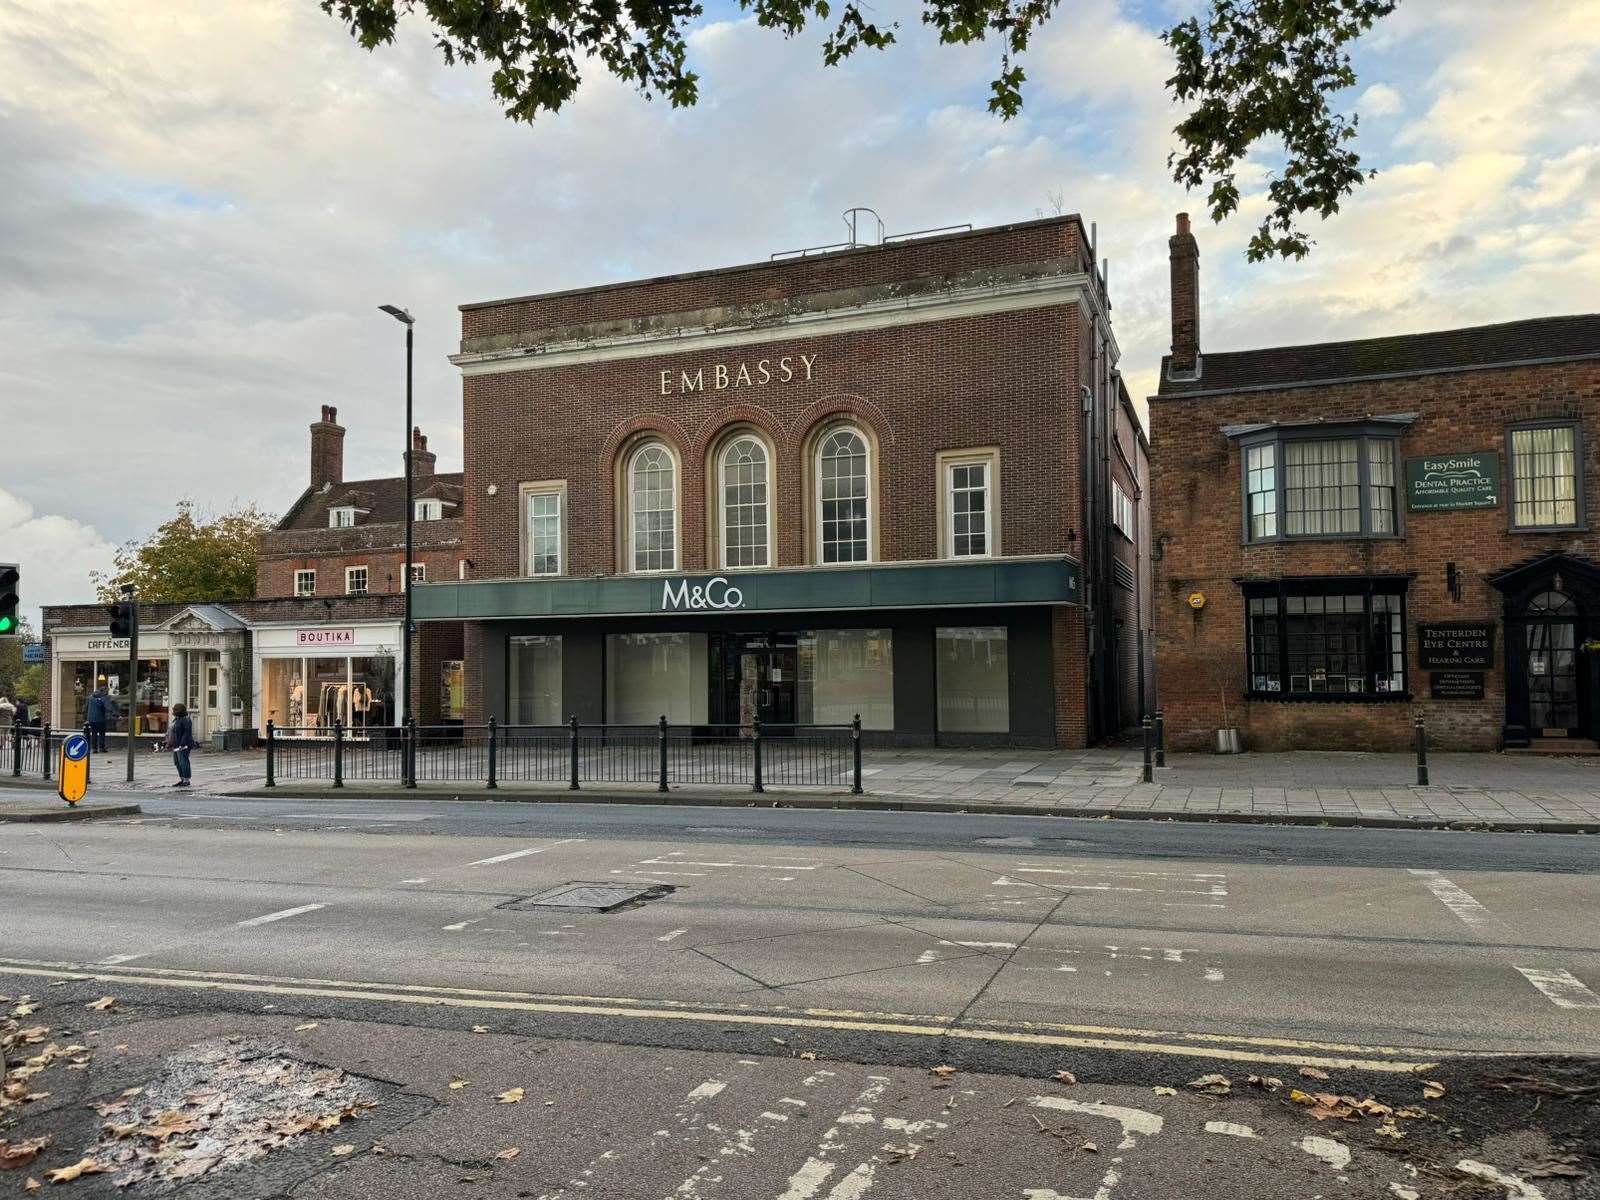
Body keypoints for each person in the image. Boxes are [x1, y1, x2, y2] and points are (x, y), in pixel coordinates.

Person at [165, 702, 195, 788]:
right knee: (177, 762)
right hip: (176, 744)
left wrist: (182, 744)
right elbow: (171, 731)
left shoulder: (186, 720)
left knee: (183, 762)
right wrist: (168, 742)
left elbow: (187, 733)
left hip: (183, 745)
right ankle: (182, 779)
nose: (173, 711)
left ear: (180, 710)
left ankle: (186, 780)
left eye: (175, 709)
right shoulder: (176, 719)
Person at [87, 683, 112, 754]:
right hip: (100, 719)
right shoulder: (103, 698)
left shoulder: (91, 697)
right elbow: (108, 707)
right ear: (104, 691)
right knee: (102, 733)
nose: (107, 692)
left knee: (94, 733)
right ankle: (101, 747)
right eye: (107, 691)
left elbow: (86, 707)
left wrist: (87, 717)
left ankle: (94, 748)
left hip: (91, 719)